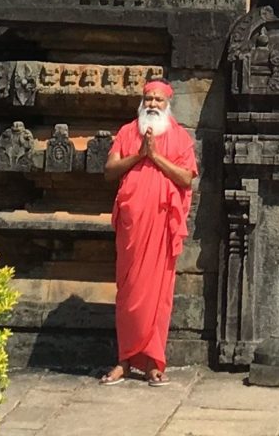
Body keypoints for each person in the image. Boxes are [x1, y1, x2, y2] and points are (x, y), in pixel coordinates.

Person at [104, 77, 198, 385]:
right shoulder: (127, 133)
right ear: (142, 103)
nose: (153, 104)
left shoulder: (180, 137)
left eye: (159, 99)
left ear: (168, 103)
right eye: (149, 99)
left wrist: (155, 156)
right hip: (132, 227)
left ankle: (154, 362)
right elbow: (110, 170)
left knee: (159, 295)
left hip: (161, 227)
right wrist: (140, 154)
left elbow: (186, 177)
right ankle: (124, 360)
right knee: (128, 293)